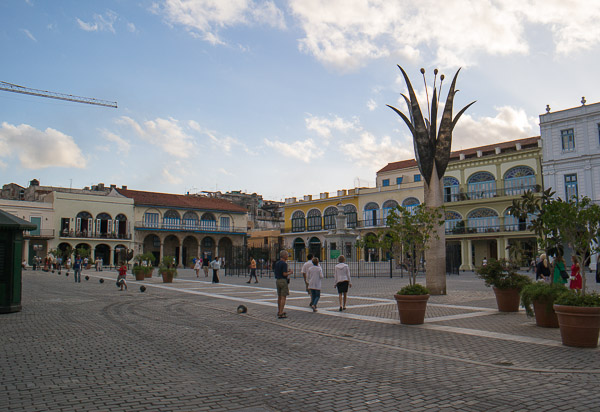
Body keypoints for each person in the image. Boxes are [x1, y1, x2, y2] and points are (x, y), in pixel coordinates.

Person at [274, 250, 293, 319]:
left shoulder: (277, 263)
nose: (287, 256)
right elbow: (284, 274)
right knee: (283, 297)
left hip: (278, 280)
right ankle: (281, 312)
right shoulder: (284, 263)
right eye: (287, 255)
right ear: (284, 256)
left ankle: (279, 311)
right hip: (283, 280)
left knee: (279, 297)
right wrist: (290, 273)